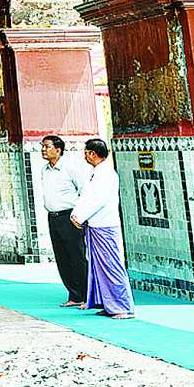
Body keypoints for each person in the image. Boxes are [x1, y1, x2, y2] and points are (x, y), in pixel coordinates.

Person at [72, 138, 135, 319]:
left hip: (105, 225)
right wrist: (76, 214)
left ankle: (122, 307)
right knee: (99, 266)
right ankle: (108, 304)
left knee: (111, 265)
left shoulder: (106, 174)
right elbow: (86, 197)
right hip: (95, 225)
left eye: (86, 152)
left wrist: (81, 216)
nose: (85, 155)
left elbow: (98, 200)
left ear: (92, 153)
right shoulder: (95, 173)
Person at [41, 134, 88, 306]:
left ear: (58, 150)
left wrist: (81, 215)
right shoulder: (45, 170)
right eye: (42, 146)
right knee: (62, 258)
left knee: (76, 256)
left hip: (70, 217)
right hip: (53, 217)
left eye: (47, 146)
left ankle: (86, 294)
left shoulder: (70, 167)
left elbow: (84, 191)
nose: (43, 150)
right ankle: (74, 295)